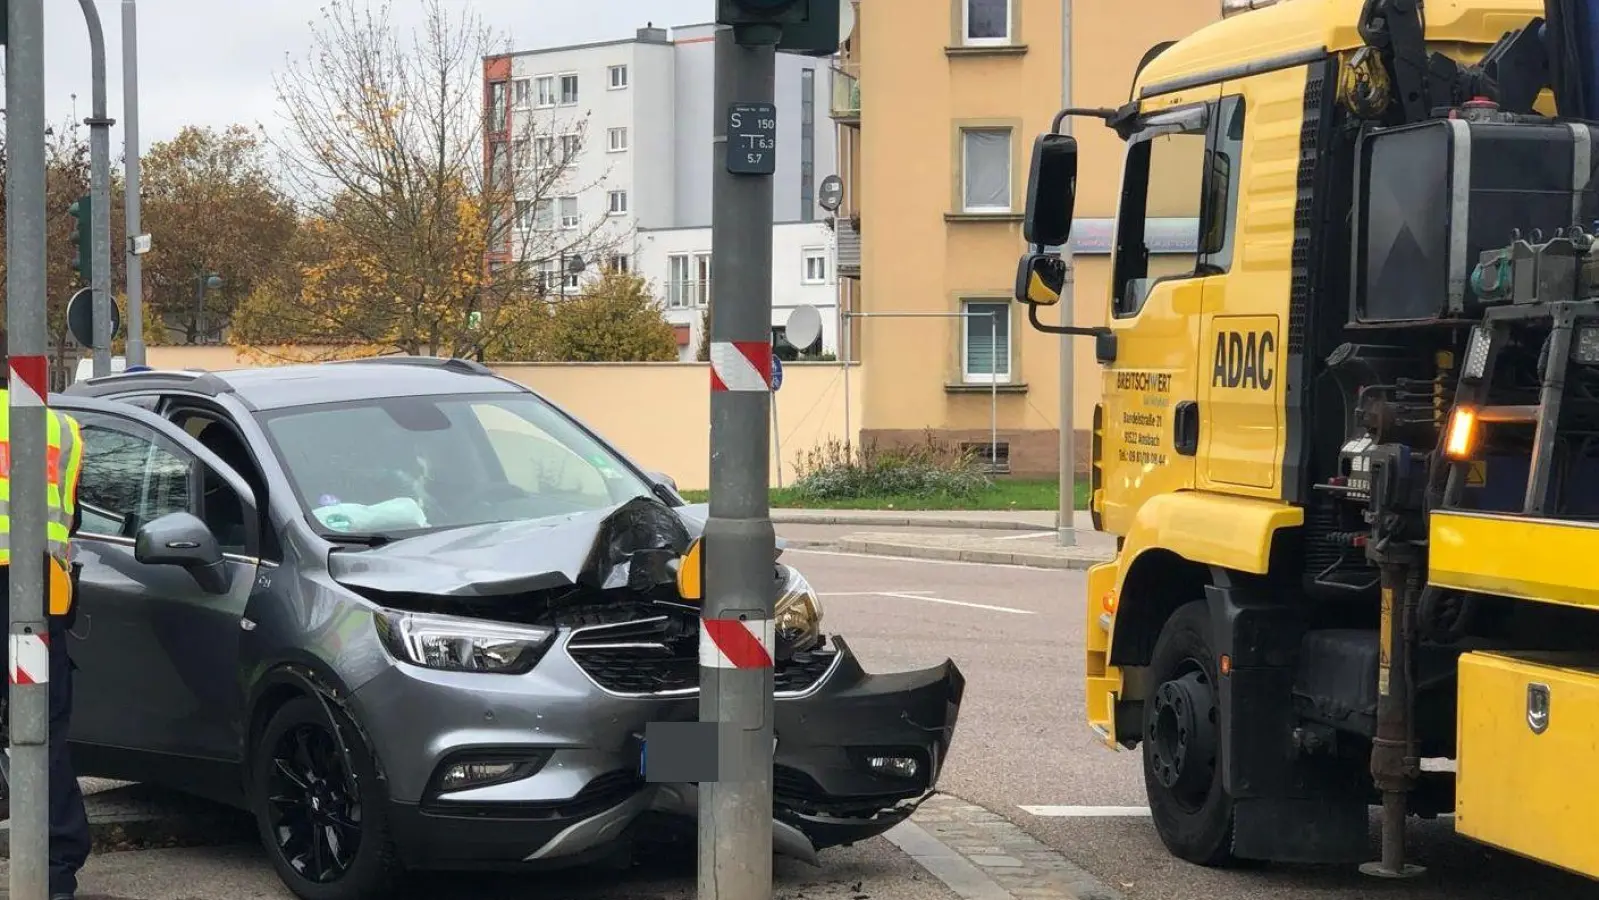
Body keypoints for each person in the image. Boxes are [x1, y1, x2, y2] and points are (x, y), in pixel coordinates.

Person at [0, 343, 89, 900]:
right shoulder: (62, 428)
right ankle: (54, 874)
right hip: (35, 605)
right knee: (44, 735)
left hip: (28, 594)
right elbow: (71, 515)